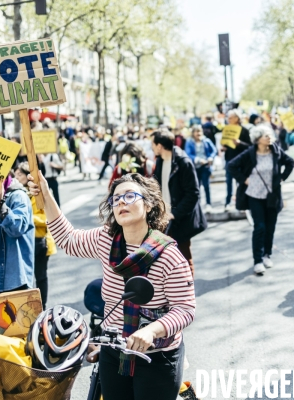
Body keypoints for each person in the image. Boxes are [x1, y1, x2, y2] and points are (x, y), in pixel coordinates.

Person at [28, 171, 195, 400]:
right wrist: (45, 194)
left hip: (158, 356)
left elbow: (185, 309)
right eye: (115, 199)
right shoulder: (106, 239)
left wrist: (151, 330)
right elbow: (67, 240)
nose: (120, 203)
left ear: (147, 205)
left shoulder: (169, 255)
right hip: (114, 353)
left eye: (128, 196)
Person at [227, 124, 294, 275]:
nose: (269, 137)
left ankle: (267, 255)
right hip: (254, 195)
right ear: (257, 140)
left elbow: (290, 162)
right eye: (266, 136)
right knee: (260, 227)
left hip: (272, 196)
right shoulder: (250, 153)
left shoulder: (276, 151)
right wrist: (243, 179)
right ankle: (257, 260)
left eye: (270, 135)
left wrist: (282, 178)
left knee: (270, 227)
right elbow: (231, 166)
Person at [152, 130, 207, 278]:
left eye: (153, 144)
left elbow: (193, 194)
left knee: (183, 257)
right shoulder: (160, 161)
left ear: (159, 146)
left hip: (179, 218)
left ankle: (187, 294)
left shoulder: (183, 162)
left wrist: (174, 214)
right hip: (163, 217)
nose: (151, 147)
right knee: (163, 258)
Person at [14, 163, 56, 309]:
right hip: (23, 240)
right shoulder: (16, 193)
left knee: (41, 276)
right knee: (25, 277)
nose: (16, 178)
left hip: (39, 240)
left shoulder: (39, 193)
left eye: (19, 175)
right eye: (15, 175)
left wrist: (26, 218)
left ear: (28, 176)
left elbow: (47, 220)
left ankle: (42, 306)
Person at [222, 110, 251, 212]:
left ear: (237, 119)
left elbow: (250, 147)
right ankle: (228, 202)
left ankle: (241, 202)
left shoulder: (244, 130)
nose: (228, 120)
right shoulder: (226, 130)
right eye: (228, 118)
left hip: (241, 161)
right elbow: (225, 144)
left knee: (241, 181)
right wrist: (223, 148)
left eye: (230, 118)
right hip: (229, 160)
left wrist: (240, 143)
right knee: (229, 182)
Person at [185, 125, 217, 211]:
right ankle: (198, 205)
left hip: (205, 166)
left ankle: (208, 204)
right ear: (193, 133)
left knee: (206, 186)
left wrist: (211, 157)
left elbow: (214, 150)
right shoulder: (189, 142)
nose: (198, 133)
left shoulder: (206, 141)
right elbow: (188, 153)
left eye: (200, 131)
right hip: (195, 167)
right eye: (196, 131)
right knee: (196, 187)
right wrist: (198, 160)